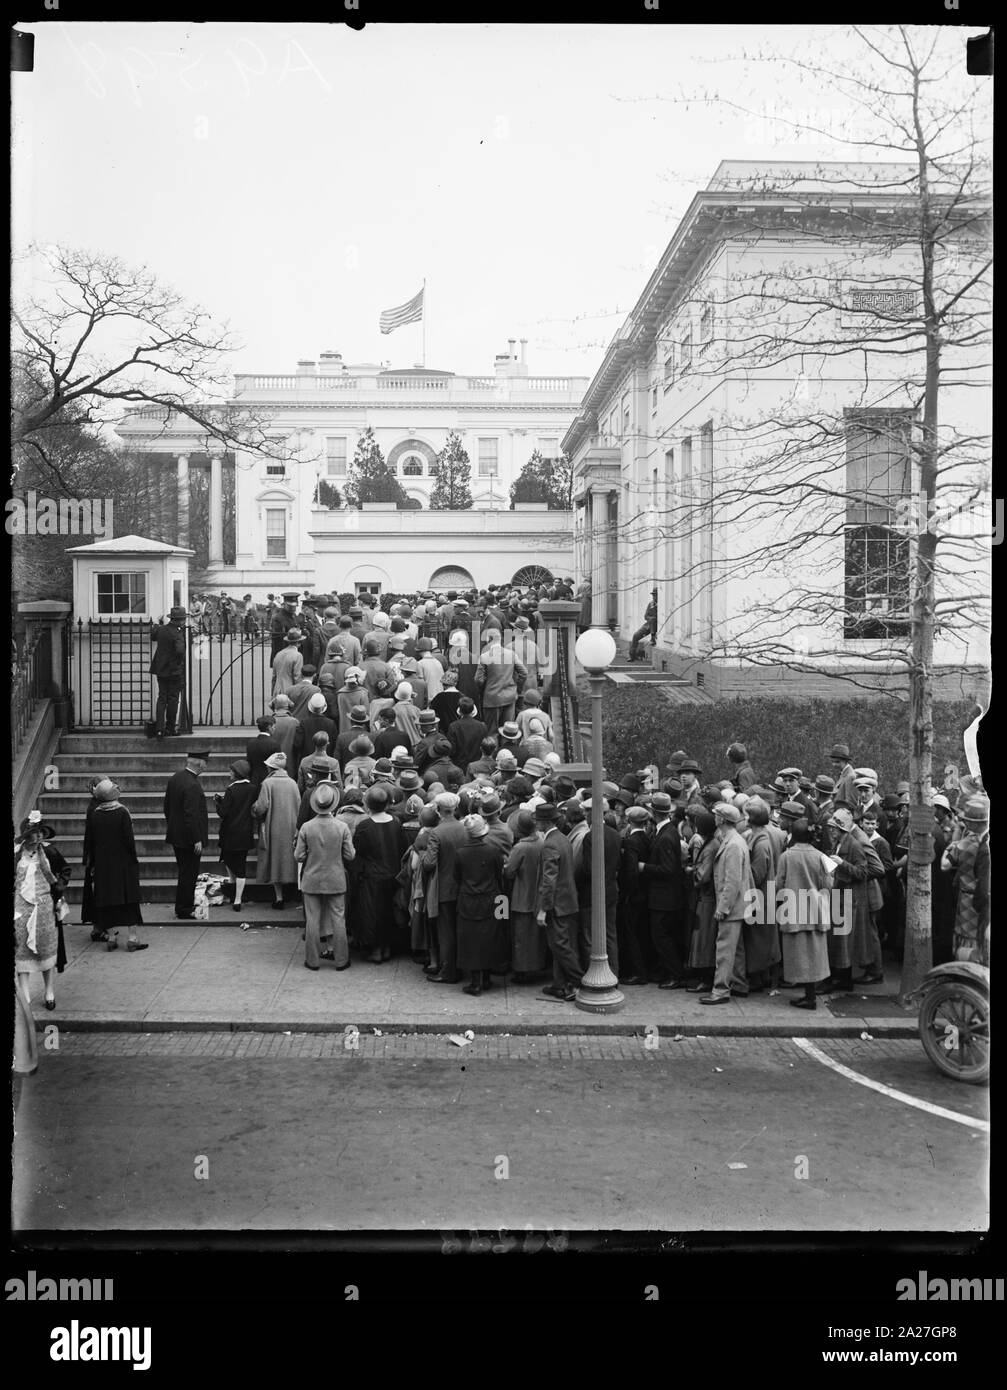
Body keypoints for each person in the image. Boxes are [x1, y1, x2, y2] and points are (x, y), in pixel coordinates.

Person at [294, 781, 356, 971]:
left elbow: (298, 856)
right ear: (333, 804)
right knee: (338, 918)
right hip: (335, 876)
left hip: (312, 877)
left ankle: (312, 960)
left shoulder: (306, 827)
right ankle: (341, 960)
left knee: (312, 920)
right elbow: (350, 855)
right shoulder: (341, 827)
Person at [775, 818, 833, 1010]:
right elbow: (828, 885)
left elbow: (779, 885)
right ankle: (811, 995)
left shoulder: (786, 856)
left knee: (799, 954)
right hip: (816, 910)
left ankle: (808, 997)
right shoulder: (820, 856)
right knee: (814, 954)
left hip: (793, 910)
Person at [84, 779, 147, 950]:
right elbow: (129, 840)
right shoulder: (122, 812)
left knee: (106, 899)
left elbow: (92, 841)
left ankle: (111, 937)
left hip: (103, 865)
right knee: (129, 899)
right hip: (123, 863)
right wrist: (133, 859)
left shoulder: (96, 813)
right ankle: (132, 938)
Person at [700, 802, 752, 1004]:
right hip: (739, 905)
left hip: (732, 906)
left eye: (716, 815)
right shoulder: (734, 840)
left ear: (722, 820)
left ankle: (720, 990)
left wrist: (722, 908)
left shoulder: (732, 845)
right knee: (736, 949)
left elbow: (732, 882)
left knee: (724, 949)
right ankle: (739, 984)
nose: (714, 818)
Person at [454, 814, 508, 996]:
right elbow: (500, 876)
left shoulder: (460, 853)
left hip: (467, 900)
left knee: (470, 940)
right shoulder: (494, 851)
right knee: (491, 937)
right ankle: (485, 977)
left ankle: (475, 981)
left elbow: (457, 878)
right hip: (493, 900)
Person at [534, 801, 583, 1002]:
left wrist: (544, 909)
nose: (536, 823)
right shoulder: (562, 838)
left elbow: (549, 880)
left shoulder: (550, 844)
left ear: (544, 822)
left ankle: (580, 982)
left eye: (538, 820)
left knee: (560, 945)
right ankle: (560, 985)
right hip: (568, 900)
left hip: (557, 904)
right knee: (561, 944)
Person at [352, 785, 408, 963]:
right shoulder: (396, 823)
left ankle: (376, 950)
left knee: (373, 913)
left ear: (367, 804)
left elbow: (357, 853)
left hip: (372, 876)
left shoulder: (364, 826)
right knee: (390, 912)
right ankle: (387, 948)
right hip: (393, 874)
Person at [642, 792, 689, 988]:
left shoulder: (666, 836)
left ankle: (674, 975)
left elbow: (669, 869)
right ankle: (667, 971)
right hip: (665, 897)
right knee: (662, 936)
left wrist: (644, 867)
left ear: (654, 812)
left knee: (662, 937)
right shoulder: (667, 832)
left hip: (665, 898)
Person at [15, 812, 61, 1011]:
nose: (39, 836)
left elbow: (63, 872)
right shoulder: (17, 854)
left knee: (46, 948)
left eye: (41, 832)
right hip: (21, 908)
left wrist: (60, 891)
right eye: (35, 832)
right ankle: (24, 996)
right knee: (21, 949)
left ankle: (49, 990)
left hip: (44, 907)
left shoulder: (49, 853)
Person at [422, 791, 469, 983]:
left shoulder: (436, 833)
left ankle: (448, 971)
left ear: (439, 810)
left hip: (444, 888)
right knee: (459, 929)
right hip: (464, 887)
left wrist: (422, 853)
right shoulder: (465, 828)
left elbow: (429, 863)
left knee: (446, 932)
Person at [941, 796, 991, 966]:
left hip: (968, 900)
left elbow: (945, 865)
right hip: (980, 900)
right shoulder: (983, 842)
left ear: (972, 823)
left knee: (965, 941)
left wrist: (949, 848)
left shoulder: (964, 844)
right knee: (980, 940)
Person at [164, 746, 211, 919]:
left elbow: (167, 807)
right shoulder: (192, 784)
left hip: (177, 835)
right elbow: (191, 815)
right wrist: (196, 838)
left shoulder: (176, 778)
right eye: (205, 762)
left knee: (185, 872)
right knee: (189, 874)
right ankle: (184, 908)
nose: (206, 765)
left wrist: (173, 827)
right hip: (188, 838)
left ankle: (182, 906)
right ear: (199, 763)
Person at [503, 810, 548, 982]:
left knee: (521, 937)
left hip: (521, 896)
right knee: (536, 937)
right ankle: (536, 967)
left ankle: (522, 971)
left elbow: (509, 872)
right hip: (537, 895)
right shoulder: (542, 842)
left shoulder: (520, 847)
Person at [252, 751, 300, 910]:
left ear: (270, 768)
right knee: (290, 860)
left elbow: (261, 807)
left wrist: (254, 808)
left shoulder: (267, 783)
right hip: (291, 826)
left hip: (274, 826)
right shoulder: (293, 783)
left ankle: (279, 897)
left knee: (275, 861)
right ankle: (293, 893)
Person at [214, 759, 257, 912]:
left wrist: (218, 802)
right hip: (245, 833)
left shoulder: (231, 790)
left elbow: (223, 813)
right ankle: (237, 900)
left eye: (231, 770)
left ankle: (234, 894)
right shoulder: (252, 789)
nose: (229, 773)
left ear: (237, 773)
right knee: (241, 865)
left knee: (230, 861)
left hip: (230, 834)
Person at [685, 809, 718, 993]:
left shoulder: (711, 847)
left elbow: (703, 875)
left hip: (706, 899)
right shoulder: (710, 843)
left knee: (704, 938)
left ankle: (706, 979)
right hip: (705, 898)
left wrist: (691, 872)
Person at [475, 630, 527, 737]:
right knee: (507, 732)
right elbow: (524, 672)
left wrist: (484, 690)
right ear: (500, 640)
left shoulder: (485, 656)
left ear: (489, 640)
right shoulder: (511, 654)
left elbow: (478, 680)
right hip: (509, 697)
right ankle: (506, 753)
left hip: (491, 698)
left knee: (492, 732)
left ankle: (492, 753)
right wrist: (517, 689)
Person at [149, 606, 187, 739]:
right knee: (173, 699)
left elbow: (153, 636)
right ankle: (170, 728)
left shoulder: (162, 629)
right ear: (181, 620)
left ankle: (159, 729)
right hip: (174, 670)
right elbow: (180, 651)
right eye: (184, 619)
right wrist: (178, 663)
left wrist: (156, 625)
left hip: (160, 669)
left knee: (162, 698)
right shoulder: (177, 633)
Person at [271, 629, 304, 696]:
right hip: (290, 691)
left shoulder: (279, 654)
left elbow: (274, 677)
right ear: (299, 643)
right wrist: (299, 694)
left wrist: (272, 693)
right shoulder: (298, 655)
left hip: (277, 690)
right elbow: (297, 677)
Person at [627, 591, 657, 661]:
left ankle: (653, 638)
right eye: (653, 595)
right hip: (649, 625)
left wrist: (653, 619)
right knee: (635, 635)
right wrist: (650, 618)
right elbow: (645, 616)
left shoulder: (661, 604)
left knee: (653, 620)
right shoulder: (651, 604)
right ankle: (632, 655)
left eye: (655, 595)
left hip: (656, 625)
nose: (653, 597)